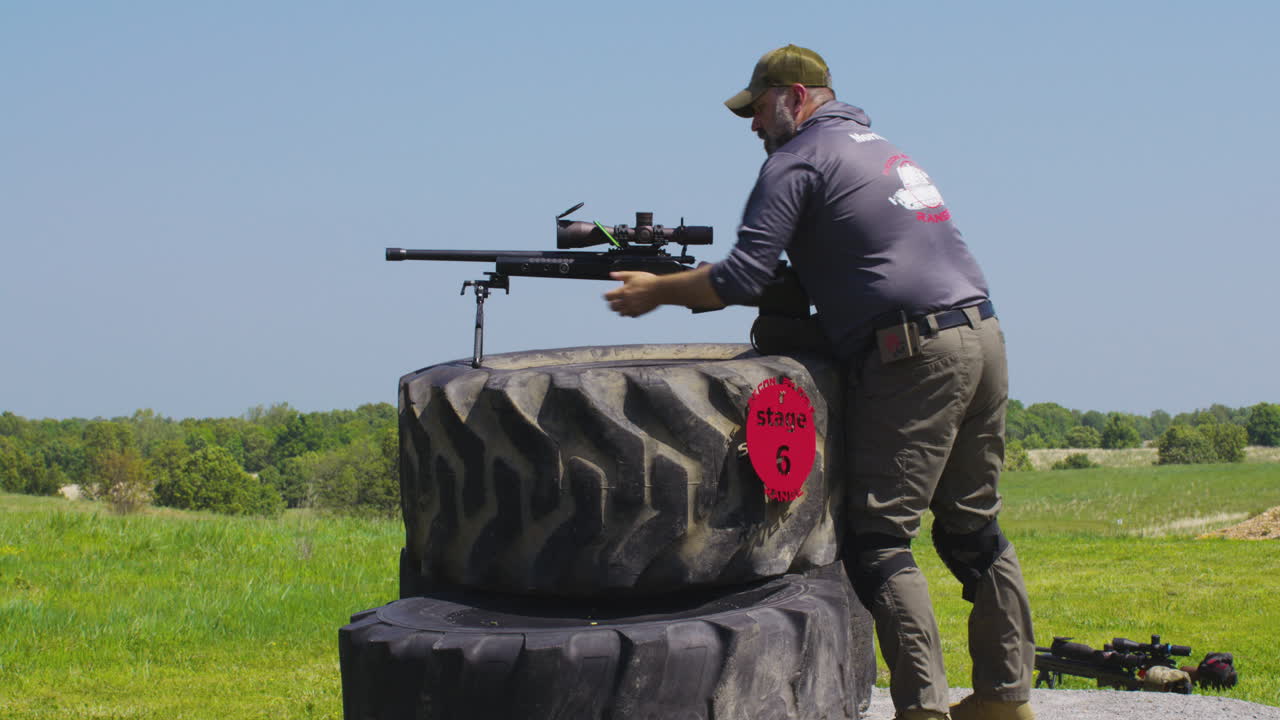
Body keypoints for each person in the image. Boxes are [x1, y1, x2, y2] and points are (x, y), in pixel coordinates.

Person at [604, 45, 1035, 720]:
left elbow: (745, 275)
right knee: (971, 531)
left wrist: (658, 290)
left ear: (796, 97)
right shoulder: (883, 149)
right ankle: (1006, 701)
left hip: (914, 349)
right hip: (982, 335)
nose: (752, 126)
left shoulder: (797, 158)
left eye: (758, 109)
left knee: (880, 541)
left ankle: (923, 710)